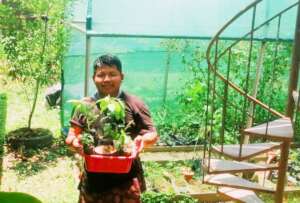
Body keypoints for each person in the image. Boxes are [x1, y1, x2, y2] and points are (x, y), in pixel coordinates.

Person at [65, 54, 159, 203]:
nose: (106, 79)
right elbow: (71, 135)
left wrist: (143, 140)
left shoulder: (134, 103)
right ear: (93, 78)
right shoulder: (84, 105)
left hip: (126, 179)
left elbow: (152, 134)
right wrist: (74, 143)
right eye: (101, 75)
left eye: (112, 74)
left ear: (122, 76)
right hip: (93, 178)